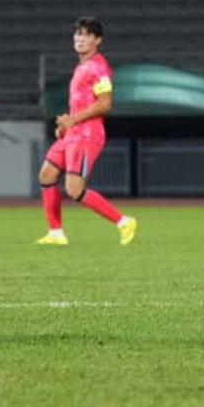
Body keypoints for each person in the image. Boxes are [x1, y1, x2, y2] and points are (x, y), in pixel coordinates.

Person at [35, 16, 137, 247]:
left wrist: (73, 121)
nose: (80, 39)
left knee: (74, 189)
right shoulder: (83, 66)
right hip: (74, 132)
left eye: (87, 35)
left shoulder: (99, 68)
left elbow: (105, 104)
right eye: (78, 34)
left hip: (87, 134)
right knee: (47, 175)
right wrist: (66, 125)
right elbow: (81, 104)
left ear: (97, 40)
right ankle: (56, 233)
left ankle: (123, 221)